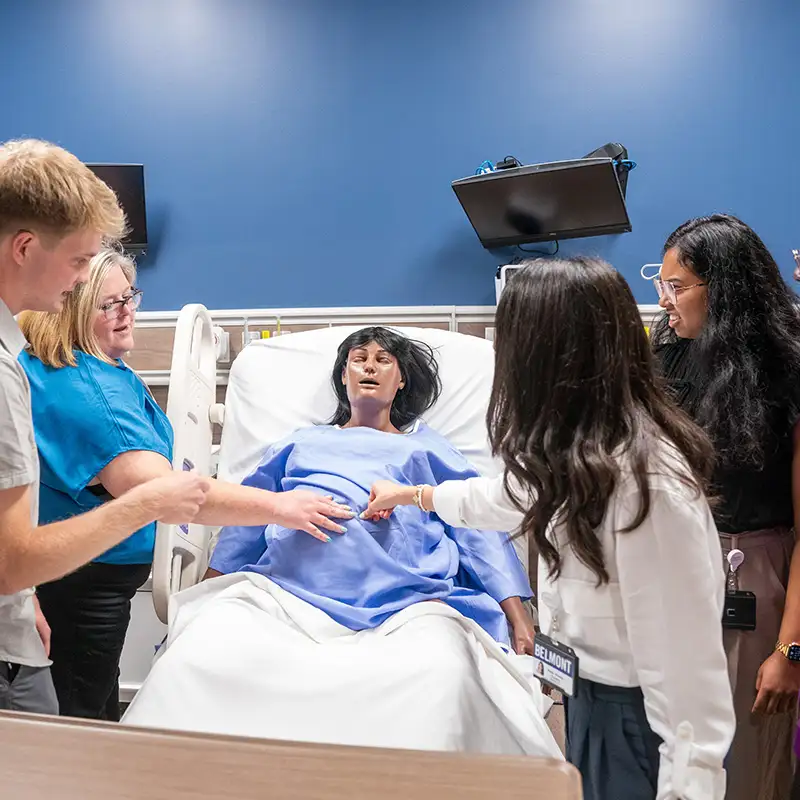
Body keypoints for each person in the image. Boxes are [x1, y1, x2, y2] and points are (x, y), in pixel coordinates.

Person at [363, 258, 736, 800]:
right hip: (587, 695)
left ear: (553, 358)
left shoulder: (646, 484)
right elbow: (503, 497)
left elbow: (687, 680)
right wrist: (415, 495)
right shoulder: (581, 454)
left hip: (638, 722)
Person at [121, 327, 558, 758]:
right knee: (195, 660)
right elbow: (246, 518)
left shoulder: (427, 450)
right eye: (358, 358)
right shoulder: (298, 443)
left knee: (441, 678)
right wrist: (204, 599)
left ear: (401, 380)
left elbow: (476, 528)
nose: (370, 365)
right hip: (283, 593)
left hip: (408, 604)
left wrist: (518, 618)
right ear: (344, 376)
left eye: (384, 359)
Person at [16, 247, 354, 721]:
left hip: (75, 577)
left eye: (129, 296)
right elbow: (170, 495)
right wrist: (282, 507)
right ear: (71, 310)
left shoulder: (79, 367)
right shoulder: (89, 397)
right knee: (81, 716)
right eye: (108, 305)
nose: (128, 311)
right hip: (82, 588)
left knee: (85, 700)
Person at [0, 138, 213, 715]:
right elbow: (148, 486)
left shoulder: (65, 365)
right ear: (25, 248)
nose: (77, 281)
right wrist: (281, 508)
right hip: (71, 591)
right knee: (75, 732)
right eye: (76, 264)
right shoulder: (58, 381)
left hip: (41, 600)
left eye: (129, 297)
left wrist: (21, 597)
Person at [649, 214, 800, 800]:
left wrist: (790, 650)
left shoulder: (786, 372)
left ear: (725, 288)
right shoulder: (669, 354)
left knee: (743, 756)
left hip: (752, 573)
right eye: (660, 284)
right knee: (674, 744)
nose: (664, 301)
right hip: (675, 565)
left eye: (677, 287)